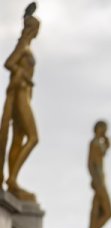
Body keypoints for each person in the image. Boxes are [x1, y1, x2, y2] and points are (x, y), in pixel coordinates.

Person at [0, 3, 40, 202]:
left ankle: (13, 181)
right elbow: (8, 63)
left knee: (18, 139)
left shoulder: (26, 46)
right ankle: (12, 179)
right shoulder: (23, 45)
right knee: (33, 138)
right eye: (35, 28)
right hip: (20, 96)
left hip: (25, 95)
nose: (37, 32)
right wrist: (24, 75)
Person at [82, 120, 111, 228]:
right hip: (99, 182)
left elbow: (103, 154)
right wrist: (94, 179)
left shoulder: (98, 144)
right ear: (99, 128)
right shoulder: (93, 143)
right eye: (104, 129)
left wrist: (107, 144)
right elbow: (90, 164)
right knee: (107, 212)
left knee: (96, 212)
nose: (105, 132)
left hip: (101, 180)